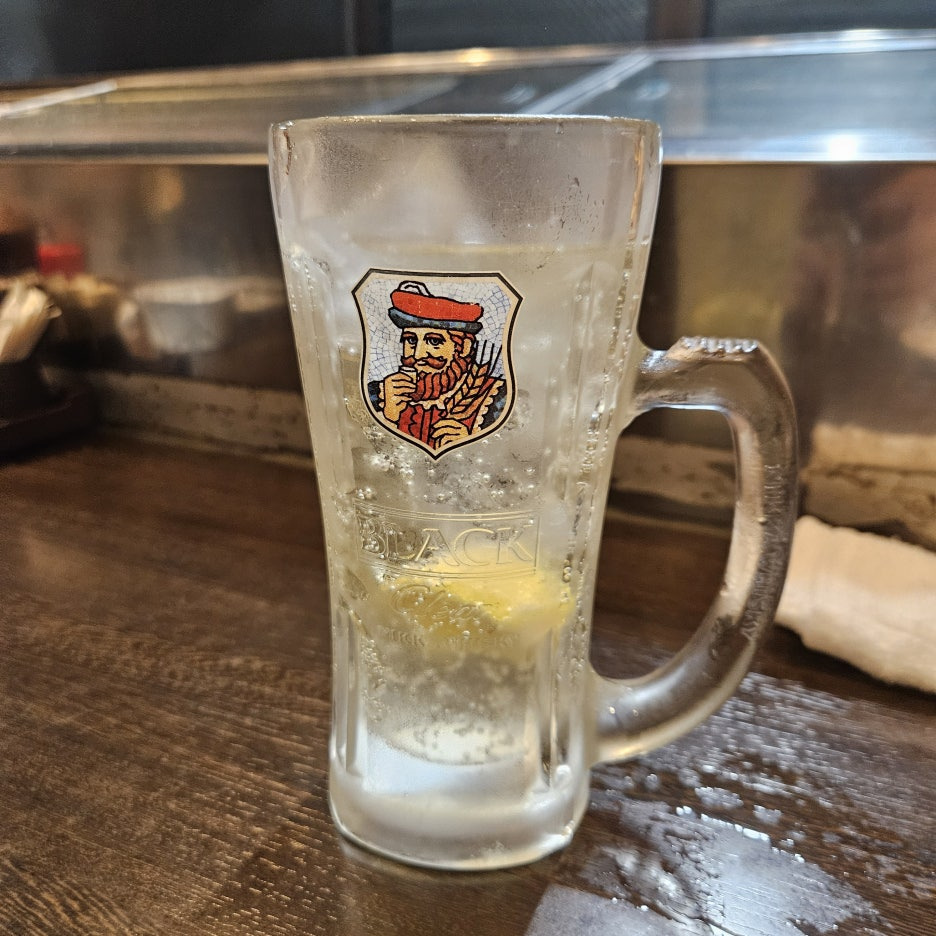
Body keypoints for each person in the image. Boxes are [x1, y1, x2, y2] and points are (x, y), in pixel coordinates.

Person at [369, 280, 506, 452]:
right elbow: (365, 449)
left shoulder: (497, 397)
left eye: (434, 342)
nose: (418, 355)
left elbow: (510, 451)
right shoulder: (377, 394)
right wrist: (388, 418)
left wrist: (470, 444)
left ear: (464, 347)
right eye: (411, 340)